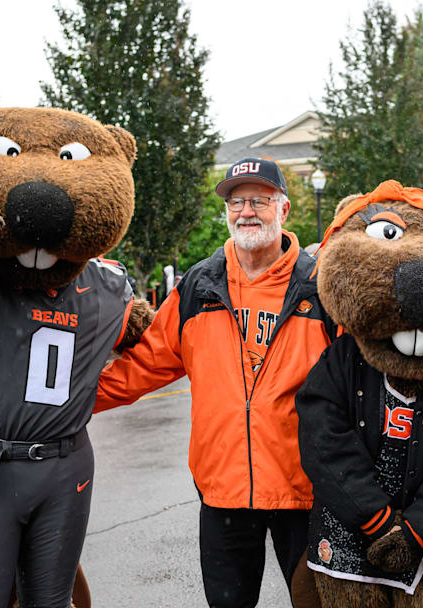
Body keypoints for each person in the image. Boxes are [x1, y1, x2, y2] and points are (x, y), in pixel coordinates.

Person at [95, 157, 335, 607]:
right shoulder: (199, 287)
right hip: (223, 494)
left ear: (283, 210)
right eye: (236, 201)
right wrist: (65, 406)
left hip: (306, 492)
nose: (247, 211)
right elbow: (145, 364)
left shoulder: (319, 287)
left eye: (260, 200)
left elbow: (357, 383)